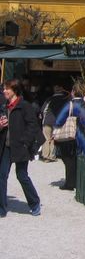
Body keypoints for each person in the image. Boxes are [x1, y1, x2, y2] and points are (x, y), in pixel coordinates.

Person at [0, 79, 41, 217]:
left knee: (22, 175)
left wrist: (25, 142)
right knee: (2, 176)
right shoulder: (4, 107)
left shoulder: (25, 106)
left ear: (14, 90)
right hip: (6, 146)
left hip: (21, 147)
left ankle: (35, 203)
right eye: (4, 88)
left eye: (7, 88)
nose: (4, 91)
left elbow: (32, 126)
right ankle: (2, 208)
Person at [53, 83, 85, 190]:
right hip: (84, 136)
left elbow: (59, 120)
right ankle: (81, 182)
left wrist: (56, 127)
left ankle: (70, 183)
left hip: (71, 135)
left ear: (73, 92)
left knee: (68, 159)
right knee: (82, 159)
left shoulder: (70, 104)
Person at [40, 82, 70, 162]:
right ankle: (52, 156)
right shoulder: (65, 99)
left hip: (48, 120)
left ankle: (45, 156)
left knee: (46, 138)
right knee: (54, 138)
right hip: (58, 121)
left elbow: (43, 110)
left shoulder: (49, 99)